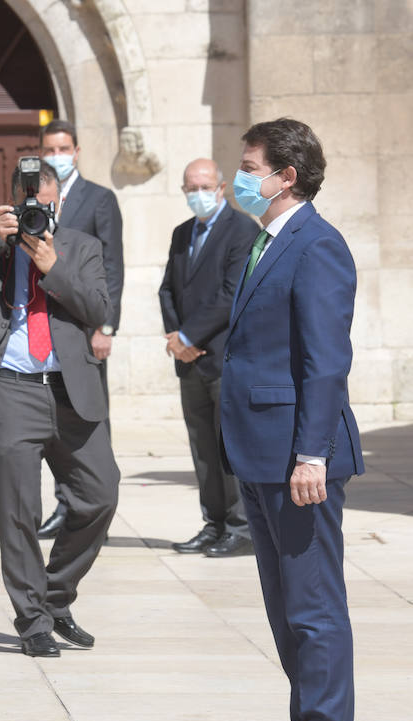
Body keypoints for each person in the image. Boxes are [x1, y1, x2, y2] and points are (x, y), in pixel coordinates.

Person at [221, 119, 361, 721]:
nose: (239, 177)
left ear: (286, 176)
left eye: (250, 167)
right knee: (284, 608)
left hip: (298, 459)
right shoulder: (267, 240)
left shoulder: (317, 245)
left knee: (312, 605)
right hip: (260, 452)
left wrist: (313, 454)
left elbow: (327, 361)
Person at [0, 162, 117, 659]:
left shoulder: (82, 247)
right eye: (29, 205)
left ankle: (55, 597)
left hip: (70, 391)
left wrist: (51, 267)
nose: (39, 211)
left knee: (99, 495)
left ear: (59, 200)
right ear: (14, 205)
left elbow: (98, 309)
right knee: (18, 512)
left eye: (47, 202)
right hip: (11, 390)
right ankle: (34, 620)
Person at [158, 159, 256, 557]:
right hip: (189, 361)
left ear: (221, 188)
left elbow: (230, 294)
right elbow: (167, 289)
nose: (196, 192)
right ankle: (213, 523)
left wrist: (187, 336)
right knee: (202, 449)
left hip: (223, 358)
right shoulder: (183, 232)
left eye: (204, 185)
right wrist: (177, 339)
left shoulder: (243, 229)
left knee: (227, 448)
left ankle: (240, 527)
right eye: (189, 186)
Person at [37, 119, 123, 539]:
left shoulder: (99, 199)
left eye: (64, 147)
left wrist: (105, 326)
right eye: (50, 149)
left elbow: (112, 268)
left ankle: (94, 500)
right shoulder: (37, 197)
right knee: (54, 420)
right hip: (47, 330)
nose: (58, 154)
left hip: (86, 325)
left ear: (77, 150)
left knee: (89, 415)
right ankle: (66, 503)